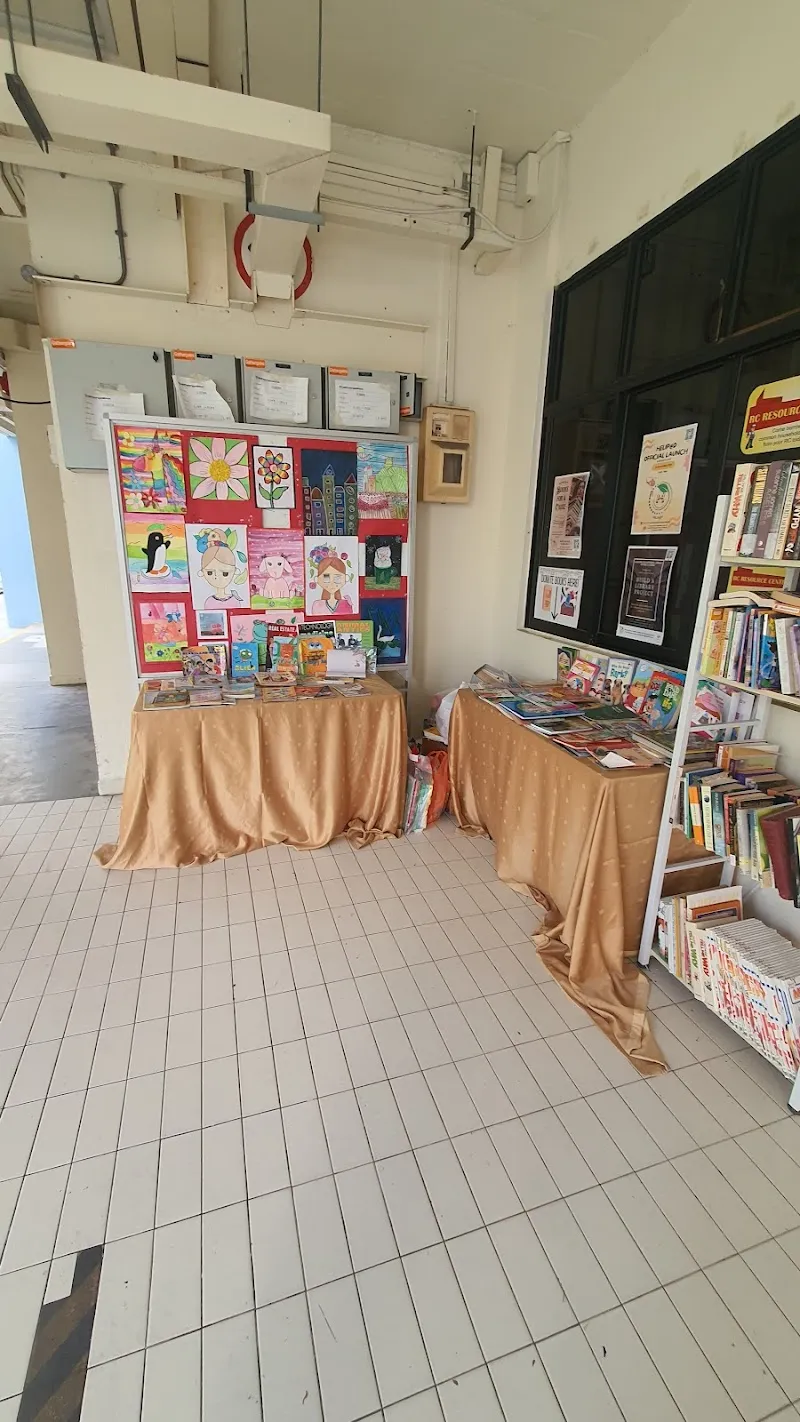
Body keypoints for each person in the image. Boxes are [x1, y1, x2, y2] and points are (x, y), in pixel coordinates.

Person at [199, 533, 244, 608]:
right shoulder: (209, 602)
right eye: (209, 573)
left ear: (235, 571)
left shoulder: (235, 601)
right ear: (202, 572)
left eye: (225, 573)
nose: (216, 577)